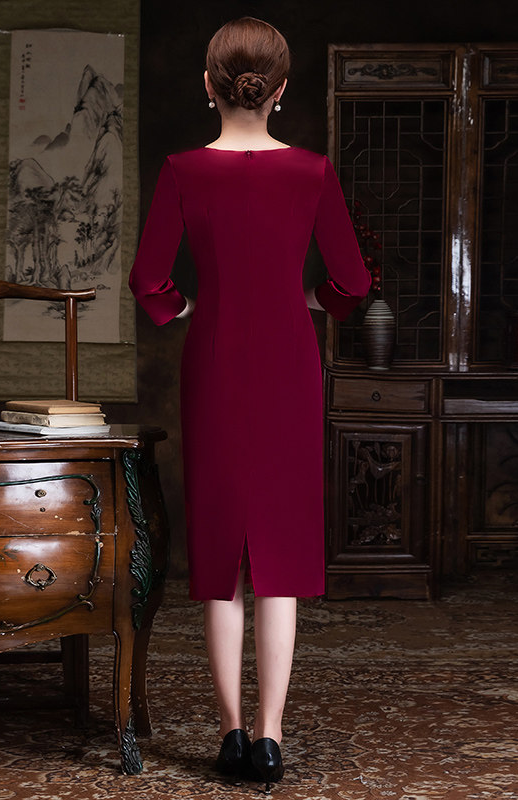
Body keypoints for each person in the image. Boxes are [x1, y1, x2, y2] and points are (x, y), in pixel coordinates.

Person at [129, 17, 370, 790]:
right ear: (280, 89)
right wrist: (311, 299)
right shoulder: (311, 171)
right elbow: (353, 283)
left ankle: (230, 731)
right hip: (288, 363)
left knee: (222, 551)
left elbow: (148, 283)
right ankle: (270, 737)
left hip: (216, 360)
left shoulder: (182, 170)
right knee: (280, 554)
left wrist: (186, 308)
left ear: (209, 86)